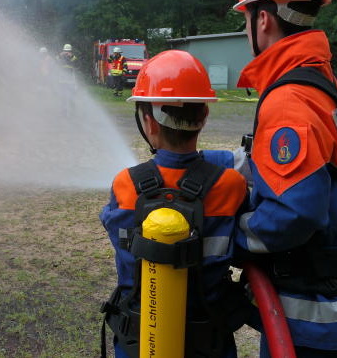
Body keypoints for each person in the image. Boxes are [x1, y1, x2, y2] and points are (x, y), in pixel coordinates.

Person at [232, 0, 337, 357]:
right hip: (327, 294)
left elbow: (297, 212)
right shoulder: (320, 78)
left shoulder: (289, 99)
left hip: (305, 310)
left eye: (247, 18)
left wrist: (234, 237)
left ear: (263, 20)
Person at [100, 50, 249, 358]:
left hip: (140, 339)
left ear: (148, 122)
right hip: (209, 338)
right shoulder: (231, 184)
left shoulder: (125, 184)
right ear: (204, 117)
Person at [57, 43, 79, 116]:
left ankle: (73, 112)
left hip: (70, 82)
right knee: (63, 97)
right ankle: (63, 111)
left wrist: (71, 56)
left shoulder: (73, 57)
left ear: (71, 51)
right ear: (63, 51)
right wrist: (60, 55)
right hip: (62, 81)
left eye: (68, 51)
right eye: (65, 51)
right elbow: (56, 60)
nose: (67, 53)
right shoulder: (60, 56)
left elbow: (76, 62)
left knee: (71, 97)